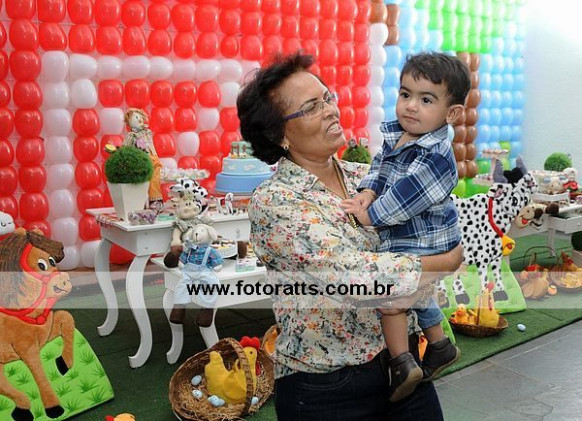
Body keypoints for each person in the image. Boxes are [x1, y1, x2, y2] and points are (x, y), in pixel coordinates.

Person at [238, 52, 463, 421]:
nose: (330, 110)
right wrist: (445, 261)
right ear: (279, 135)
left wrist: (438, 255)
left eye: (327, 98)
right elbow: (354, 278)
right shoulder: (276, 201)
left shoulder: (366, 175)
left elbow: (434, 222)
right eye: (311, 107)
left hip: (406, 367)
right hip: (329, 389)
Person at [341, 52, 471, 402]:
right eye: (405, 94)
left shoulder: (437, 155)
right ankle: (440, 346)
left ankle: (402, 363)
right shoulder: (399, 134)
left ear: (451, 113)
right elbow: (380, 167)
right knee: (418, 292)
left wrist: (370, 216)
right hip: (409, 233)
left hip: (426, 237)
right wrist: (368, 191)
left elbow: (405, 199)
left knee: (392, 299)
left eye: (426, 100)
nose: (411, 106)